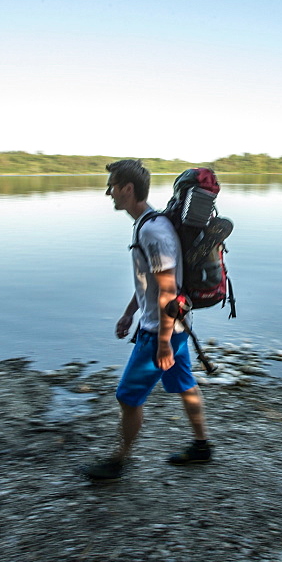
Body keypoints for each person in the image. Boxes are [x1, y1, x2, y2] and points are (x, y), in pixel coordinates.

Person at [84, 159, 211, 482]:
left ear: (127, 189)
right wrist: (130, 311)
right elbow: (150, 282)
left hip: (161, 331)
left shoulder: (153, 231)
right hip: (177, 325)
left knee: (127, 397)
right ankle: (201, 446)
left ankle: (118, 462)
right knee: (185, 383)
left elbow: (168, 290)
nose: (108, 192)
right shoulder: (148, 224)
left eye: (112, 186)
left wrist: (163, 343)